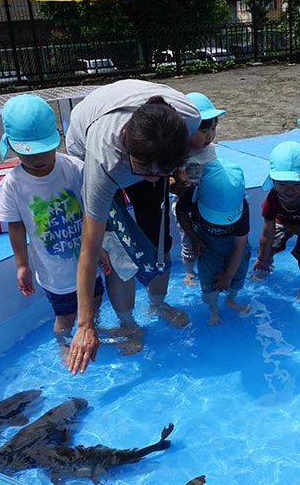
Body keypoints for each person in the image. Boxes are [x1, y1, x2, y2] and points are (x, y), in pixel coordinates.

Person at [64, 79, 201, 374]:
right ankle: (128, 323)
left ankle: (157, 303)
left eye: (160, 172)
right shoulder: (104, 163)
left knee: (157, 235)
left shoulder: (189, 118)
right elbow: (88, 253)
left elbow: (159, 166)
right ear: (126, 137)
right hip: (89, 145)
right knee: (117, 249)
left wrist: (172, 171)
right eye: (145, 171)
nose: (152, 178)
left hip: (152, 149)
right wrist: (85, 325)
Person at [0, 94, 109, 353]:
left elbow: (92, 212)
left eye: (45, 149)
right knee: (65, 316)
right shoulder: (12, 184)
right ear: (12, 146)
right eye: (29, 153)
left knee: (95, 299)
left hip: (86, 260)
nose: (38, 158)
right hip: (54, 271)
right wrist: (22, 264)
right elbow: (15, 226)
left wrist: (100, 248)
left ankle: (91, 331)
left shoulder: (74, 168)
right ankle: (64, 347)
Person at [176, 159, 252, 325]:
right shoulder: (193, 195)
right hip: (206, 242)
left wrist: (228, 275)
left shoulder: (243, 207)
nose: (219, 222)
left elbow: (239, 246)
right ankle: (213, 309)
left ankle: (231, 299)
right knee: (208, 276)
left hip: (233, 243)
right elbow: (180, 212)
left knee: (238, 273)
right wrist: (194, 239)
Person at [251, 140, 300, 300]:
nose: (289, 190)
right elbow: (267, 232)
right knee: (271, 244)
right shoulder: (273, 198)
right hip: (284, 223)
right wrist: (261, 258)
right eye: (282, 184)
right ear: (273, 182)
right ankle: (267, 265)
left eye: (296, 184)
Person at [177, 92, 225, 287]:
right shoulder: (180, 152)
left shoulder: (210, 149)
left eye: (213, 129)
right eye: (203, 130)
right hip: (185, 204)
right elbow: (176, 177)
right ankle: (189, 271)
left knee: (210, 236)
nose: (209, 135)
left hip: (207, 202)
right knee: (188, 239)